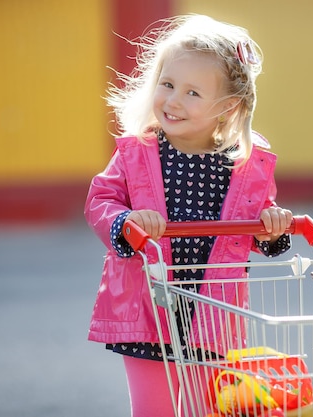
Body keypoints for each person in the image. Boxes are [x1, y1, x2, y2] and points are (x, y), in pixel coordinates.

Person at [84, 14, 293, 417]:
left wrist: (272, 227)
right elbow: (102, 199)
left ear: (228, 106)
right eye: (167, 85)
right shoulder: (137, 152)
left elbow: (258, 218)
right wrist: (125, 222)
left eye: (192, 93)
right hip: (150, 302)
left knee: (206, 408)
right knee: (154, 410)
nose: (174, 101)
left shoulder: (244, 165)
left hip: (213, 311)